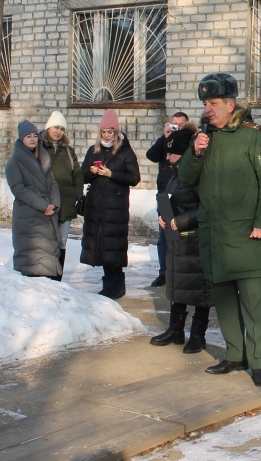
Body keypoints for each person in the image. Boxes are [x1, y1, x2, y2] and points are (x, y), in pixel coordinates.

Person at [178, 73, 261, 387]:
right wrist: (196, 151)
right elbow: (185, 178)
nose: (208, 109)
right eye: (205, 103)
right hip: (214, 234)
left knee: (252, 302)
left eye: (213, 103)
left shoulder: (254, 135)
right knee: (223, 300)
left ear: (230, 104)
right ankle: (235, 355)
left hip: (246, 233)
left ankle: (260, 362)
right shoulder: (205, 136)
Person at [151, 127, 212, 353]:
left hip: (196, 241)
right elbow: (171, 200)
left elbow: (208, 207)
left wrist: (182, 221)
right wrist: (163, 216)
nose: (167, 157)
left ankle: (198, 335)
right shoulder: (175, 173)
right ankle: (175, 330)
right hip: (178, 242)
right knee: (178, 286)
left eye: (172, 153)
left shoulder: (198, 174)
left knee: (200, 291)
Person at [80, 109, 141, 300]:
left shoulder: (125, 152)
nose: (107, 135)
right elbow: (82, 176)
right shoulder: (94, 150)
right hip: (97, 207)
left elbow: (134, 178)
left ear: (116, 132)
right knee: (101, 247)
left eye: (110, 132)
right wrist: (91, 172)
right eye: (104, 132)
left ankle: (118, 286)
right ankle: (108, 286)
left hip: (116, 208)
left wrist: (111, 174)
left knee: (114, 247)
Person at [5, 120, 63, 279]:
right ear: (21, 139)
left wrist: (54, 204)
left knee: (47, 256)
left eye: (35, 136)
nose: (32, 139)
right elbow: (19, 189)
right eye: (28, 136)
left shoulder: (43, 158)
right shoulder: (13, 163)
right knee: (32, 261)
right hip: (28, 216)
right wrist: (42, 205)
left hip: (47, 214)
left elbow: (52, 182)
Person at [145, 111, 192, 288]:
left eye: (180, 124)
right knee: (164, 236)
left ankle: (182, 271)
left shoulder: (189, 140)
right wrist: (165, 138)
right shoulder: (166, 141)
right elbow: (151, 155)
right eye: (174, 124)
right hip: (165, 191)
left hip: (183, 191)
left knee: (182, 234)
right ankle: (164, 273)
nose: (177, 127)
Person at [39, 110, 83, 278]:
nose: (58, 132)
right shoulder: (39, 148)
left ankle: (57, 277)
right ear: (49, 127)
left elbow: (77, 175)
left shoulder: (68, 151)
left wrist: (76, 193)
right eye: (55, 127)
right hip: (47, 204)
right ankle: (44, 277)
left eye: (62, 129)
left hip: (65, 203)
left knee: (61, 242)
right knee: (46, 241)